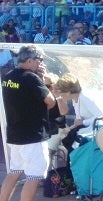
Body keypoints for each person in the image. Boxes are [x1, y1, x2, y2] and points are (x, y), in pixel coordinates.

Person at [0, 45, 56, 201]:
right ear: (30, 60)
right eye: (40, 60)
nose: (41, 64)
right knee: (34, 176)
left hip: (14, 134)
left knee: (14, 172)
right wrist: (46, 82)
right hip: (32, 135)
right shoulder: (31, 78)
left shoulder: (8, 77)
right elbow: (50, 102)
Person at [52, 73, 103, 151]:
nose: (59, 95)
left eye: (60, 92)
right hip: (86, 133)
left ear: (68, 92)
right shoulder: (75, 98)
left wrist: (83, 122)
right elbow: (78, 120)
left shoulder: (85, 97)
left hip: (95, 136)